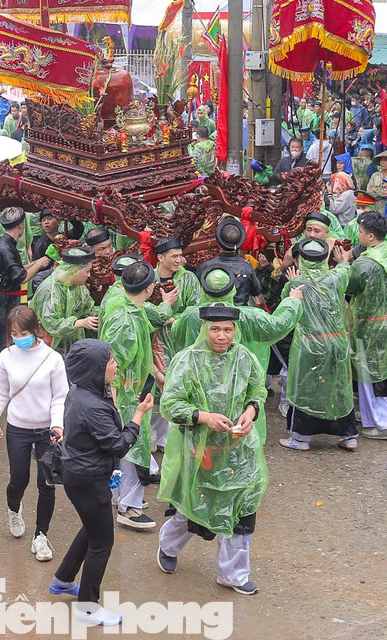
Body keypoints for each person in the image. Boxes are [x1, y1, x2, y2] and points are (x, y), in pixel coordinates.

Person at [156, 304, 267, 595]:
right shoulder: (187, 360)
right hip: (200, 452)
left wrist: (251, 412)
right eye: (215, 329)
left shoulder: (245, 358)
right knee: (194, 508)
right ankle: (168, 545)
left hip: (239, 450)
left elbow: (257, 391)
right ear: (205, 330)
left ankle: (234, 575)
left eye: (227, 330)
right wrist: (204, 417)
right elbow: (170, 405)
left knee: (242, 510)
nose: (222, 336)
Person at [49, 338, 155, 627]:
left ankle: (63, 579)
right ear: (95, 368)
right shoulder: (92, 405)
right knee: (102, 542)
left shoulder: (83, 391)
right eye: (110, 361)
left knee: (92, 528)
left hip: (80, 475)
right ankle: (87, 607)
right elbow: (118, 445)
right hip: (89, 479)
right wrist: (138, 415)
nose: (116, 365)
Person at [0, 306, 68, 563]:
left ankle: (41, 536)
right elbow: (0, 391)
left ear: (35, 330)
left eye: (23, 332)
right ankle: (14, 508)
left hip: (46, 431)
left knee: (47, 483)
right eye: (14, 333)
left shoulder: (52, 358)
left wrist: (57, 424)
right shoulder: (8, 357)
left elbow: (60, 396)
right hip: (18, 428)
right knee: (18, 479)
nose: (19, 337)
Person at [98, 260, 162, 531]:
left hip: (130, 392)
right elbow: (114, 365)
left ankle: (120, 496)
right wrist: (111, 404)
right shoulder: (126, 320)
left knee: (125, 448)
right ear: (149, 289)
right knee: (133, 447)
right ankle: (130, 507)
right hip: (127, 395)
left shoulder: (125, 307)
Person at [280, 239, 358, 452]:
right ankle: (349, 435)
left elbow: (287, 303)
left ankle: (300, 437)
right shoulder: (335, 277)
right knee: (339, 388)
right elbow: (344, 267)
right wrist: (343, 259)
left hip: (310, 345)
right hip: (337, 342)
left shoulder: (298, 283)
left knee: (305, 387)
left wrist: (292, 281)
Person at [346, 211, 387, 439]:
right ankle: (372, 418)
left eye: (360, 232)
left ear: (370, 236)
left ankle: (381, 425)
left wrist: (344, 264)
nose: (358, 235)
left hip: (369, 326)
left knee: (369, 376)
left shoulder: (365, 263)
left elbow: (349, 286)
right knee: (381, 375)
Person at [0, 206, 51, 351]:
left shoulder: (7, 245)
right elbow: (21, 278)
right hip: (5, 303)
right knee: (7, 341)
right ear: (21, 225)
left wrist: (37, 263)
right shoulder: (5, 248)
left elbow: (17, 269)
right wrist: (38, 266)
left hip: (11, 300)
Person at [31, 246, 99, 355]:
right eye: (87, 271)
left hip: (73, 346)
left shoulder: (78, 287)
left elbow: (87, 309)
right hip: (47, 349)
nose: (89, 275)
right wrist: (79, 323)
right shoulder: (51, 290)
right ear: (74, 271)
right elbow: (51, 324)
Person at [196, 218, 263, 307]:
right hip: (239, 316)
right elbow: (257, 294)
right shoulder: (246, 267)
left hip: (210, 316)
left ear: (218, 242)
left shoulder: (205, 267)